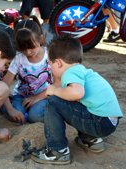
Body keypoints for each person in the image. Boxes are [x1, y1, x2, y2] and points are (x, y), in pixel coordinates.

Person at [31, 34, 123, 164]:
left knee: (54, 103)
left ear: (58, 63)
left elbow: (77, 93)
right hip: (108, 121)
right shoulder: (81, 71)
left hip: (99, 122)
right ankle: (90, 138)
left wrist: (55, 91)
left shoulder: (70, 73)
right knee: (70, 100)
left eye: (50, 65)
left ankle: (58, 150)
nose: (51, 69)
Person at [0, 15, 52, 124]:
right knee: (17, 116)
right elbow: (4, 86)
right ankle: (3, 105)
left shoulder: (50, 55)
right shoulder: (19, 59)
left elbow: (58, 82)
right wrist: (10, 109)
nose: (28, 52)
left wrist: (38, 97)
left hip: (44, 95)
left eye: (31, 47)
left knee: (35, 116)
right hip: (21, 96)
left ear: (40, 39)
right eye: (22, 48)